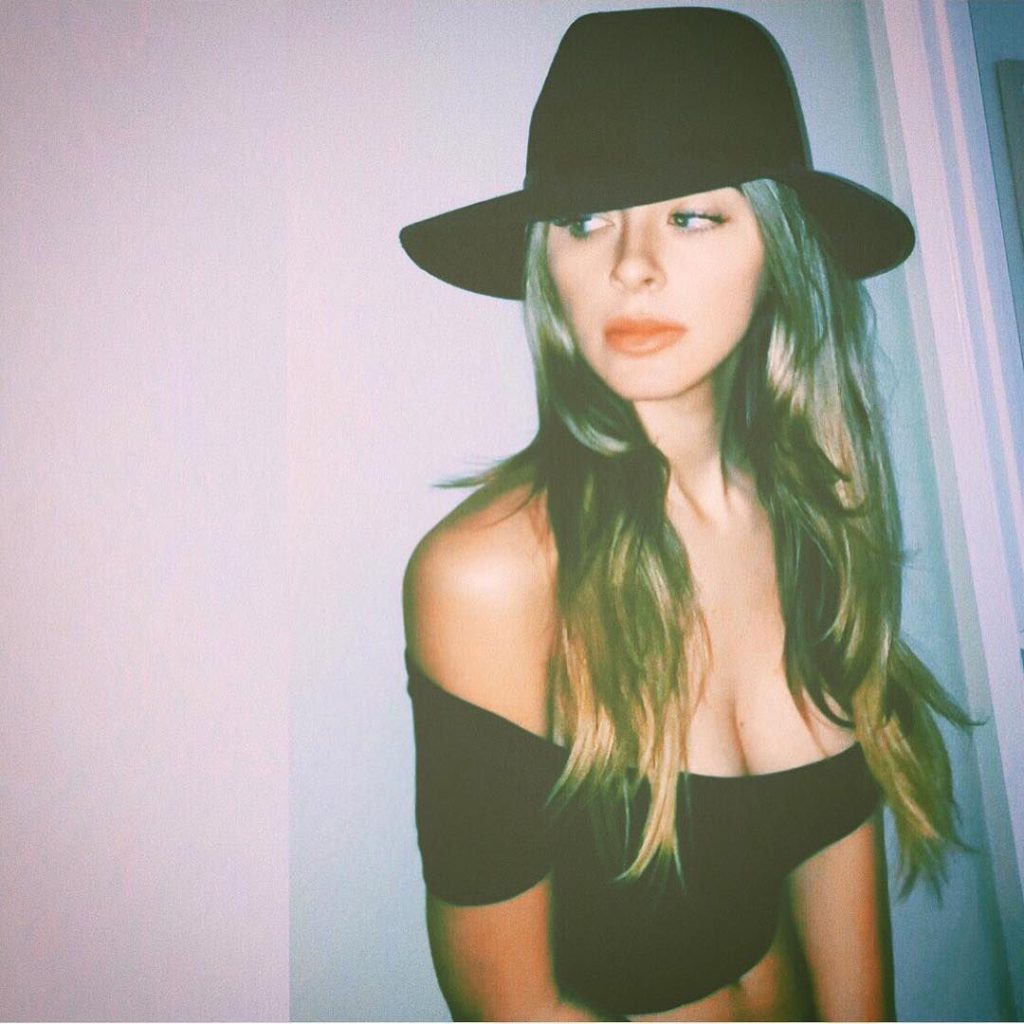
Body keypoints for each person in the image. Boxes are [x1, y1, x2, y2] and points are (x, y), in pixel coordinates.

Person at [399, 8, 970, 1021]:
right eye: (586, 220)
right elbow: (511, 1008)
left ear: (777, 251)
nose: (630, 265)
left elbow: (839, 883)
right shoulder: (492, 575)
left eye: (691, 216)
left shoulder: (813, 520)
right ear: (545, 264)